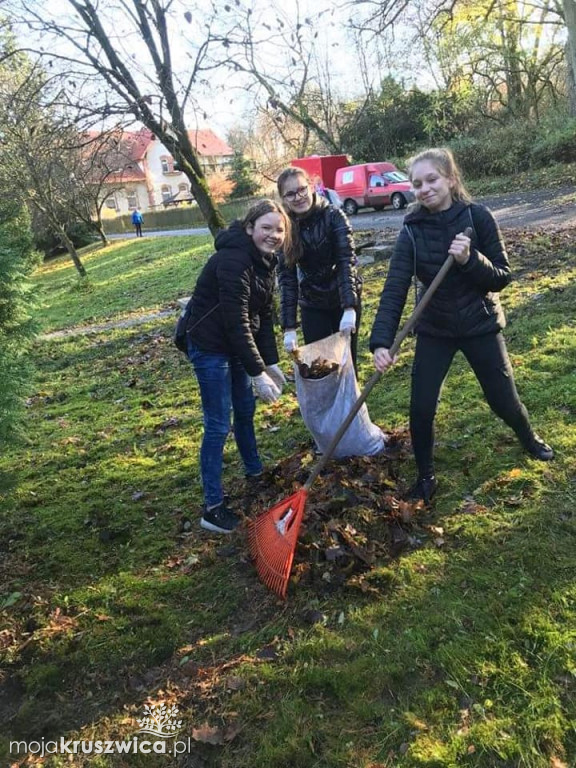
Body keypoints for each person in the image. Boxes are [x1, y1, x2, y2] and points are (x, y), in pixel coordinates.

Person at [370, 147, 553, 504]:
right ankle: (426, 476)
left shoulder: (478, 217)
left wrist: (470, 259)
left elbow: (502, 277)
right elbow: (394, 287)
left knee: (502, 400)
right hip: (435, 328)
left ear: (451, 179)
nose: (423, 189)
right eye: (416, 183)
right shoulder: (411, 229)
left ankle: (528, 437)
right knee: (421, 406)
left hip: (478, 322)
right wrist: (381, 342)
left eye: (431, 180)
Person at [186, 200, 290, 534]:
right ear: (249, 228)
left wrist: (269, 363)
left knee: (245, 410)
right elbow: (236, 322)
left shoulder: (266, 261)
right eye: (266, 228)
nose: (273, 235)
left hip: (233, 342)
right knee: (218, 423)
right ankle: (212, 508)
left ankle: (254, 473)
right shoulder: (233, 260)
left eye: (279, 229)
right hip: (209, 344)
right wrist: (256, 371)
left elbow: (262, 316)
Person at [276, 167, 362, 368]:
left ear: (312, 187)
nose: (298, 197)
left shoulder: (334, 216)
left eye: (302, 189)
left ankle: (353, 401)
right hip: (312, 302)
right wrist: (289, 327)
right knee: (322, 365)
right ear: (283, 198)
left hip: (344, 295)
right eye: (290, 194)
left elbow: (345, 261)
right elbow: (287, 279)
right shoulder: (285, 228)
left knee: (346, 363)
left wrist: (349, 307)